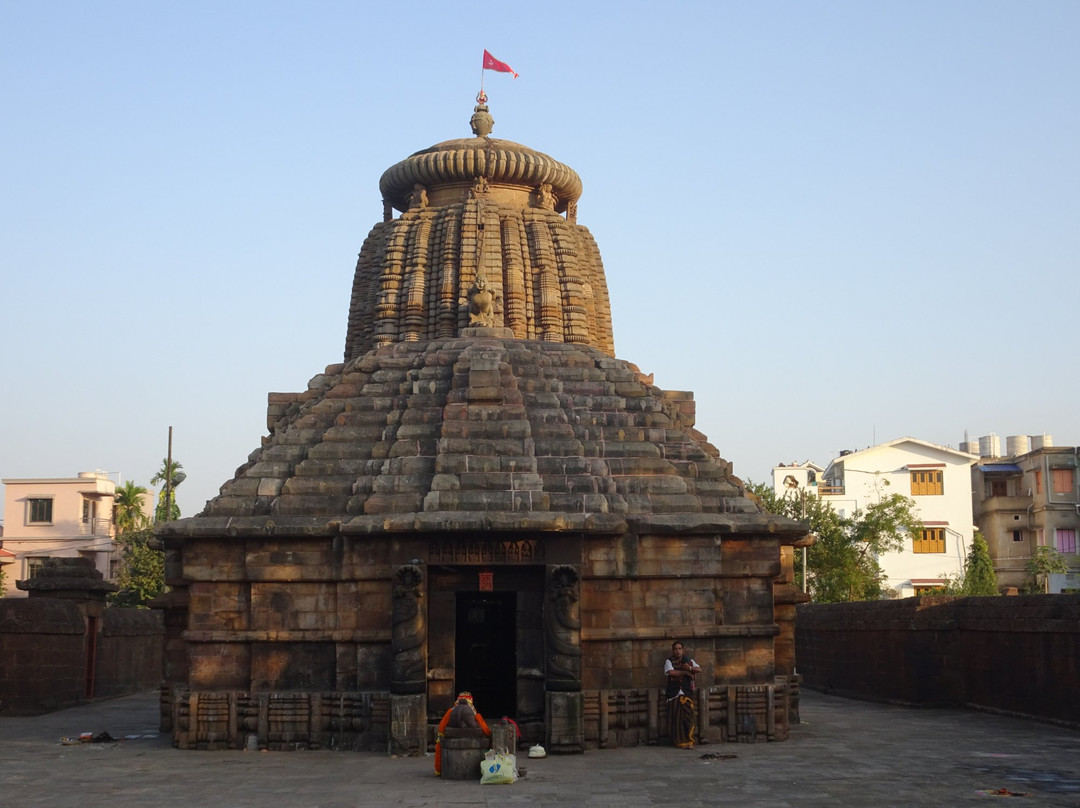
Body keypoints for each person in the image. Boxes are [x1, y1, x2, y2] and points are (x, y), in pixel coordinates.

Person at [434, 692, 490, 776]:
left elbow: (441, 728)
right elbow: (486, 731)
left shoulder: (452, 711)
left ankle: (439, 770)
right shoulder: (469, 711)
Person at [664, 641, 702, 749]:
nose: (678, 651)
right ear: (673, 651)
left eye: (680, 648)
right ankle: (680, 742)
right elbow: (671, 672)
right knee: (677, 718)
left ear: (683, 650)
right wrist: (685, 673)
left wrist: (689, 668)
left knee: (688, 715)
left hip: (686, 693)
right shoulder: (669, 661)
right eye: (676, 649)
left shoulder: (688, 661)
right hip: (674, 695)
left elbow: (699, 669)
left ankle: (689, 741)